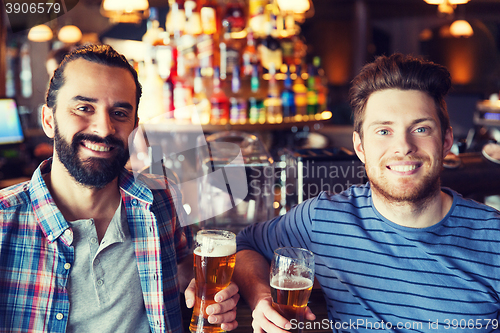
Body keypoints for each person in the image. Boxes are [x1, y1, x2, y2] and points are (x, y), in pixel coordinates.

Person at [234, 53, 500, 333]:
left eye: (421, 128)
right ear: (360, 147)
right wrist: (261, 298)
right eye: (384, 131)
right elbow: (244, 246)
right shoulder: (323, 219)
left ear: (446, 140)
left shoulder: (494, 238)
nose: (403, 147)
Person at [0, 44, 239, 333]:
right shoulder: (4, 221)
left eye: (119, 113)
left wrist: (206, 289)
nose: (104, 129)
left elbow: (181, 262)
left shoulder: (162, 199)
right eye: (84, 108)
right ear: (49, 120)